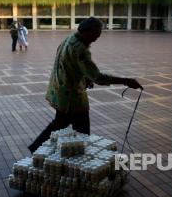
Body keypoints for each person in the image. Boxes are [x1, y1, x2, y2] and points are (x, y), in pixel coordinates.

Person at [27, 17, 143, 153]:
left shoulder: (69, 39)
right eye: (96, 34)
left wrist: (85, 77)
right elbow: (98, 77)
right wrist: (126, 81)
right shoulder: (80, 49)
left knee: (61, 123)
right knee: (79, 128)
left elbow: (68, 64)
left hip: (60, 91)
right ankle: (79, 157)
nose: (96, 38)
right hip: (71, 98)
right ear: (87, 31)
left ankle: (37, 147)